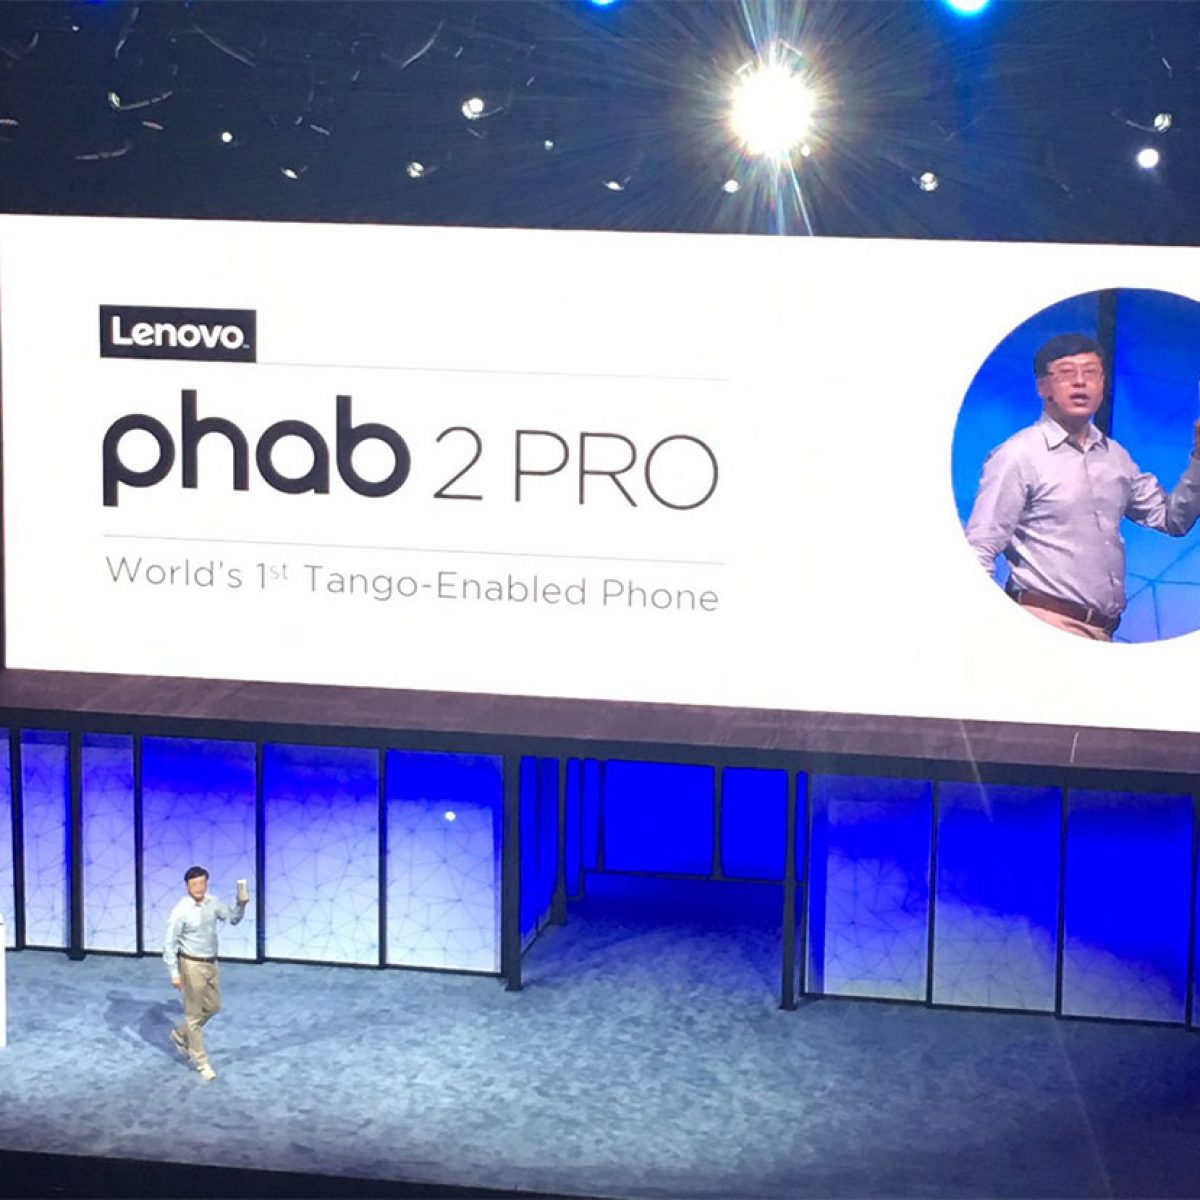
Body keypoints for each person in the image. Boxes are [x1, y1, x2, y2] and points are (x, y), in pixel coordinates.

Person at [966, 331, 1200, 641]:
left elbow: (1172, 520)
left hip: (1104, 630)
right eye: (1066, 373)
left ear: (1103, 384)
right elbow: (980, 549)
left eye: (1090, 373)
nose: (1080, 382)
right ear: (1042, 386)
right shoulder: (1018, 455)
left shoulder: (1116, 457)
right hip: (1043, 621)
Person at [163, 865, 249, 1080]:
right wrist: (174, 973)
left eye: (202, 883)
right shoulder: (180, 911)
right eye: (194, 884)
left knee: (213, 1006)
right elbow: (169, 945)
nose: (199, 888)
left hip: (211, 963)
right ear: (187, 886)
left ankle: (179, 1034)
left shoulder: (213, 902)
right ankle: (201, 1062)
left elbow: (233, 918)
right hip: (191, 964)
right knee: (193, 1016)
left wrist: (241, 904)